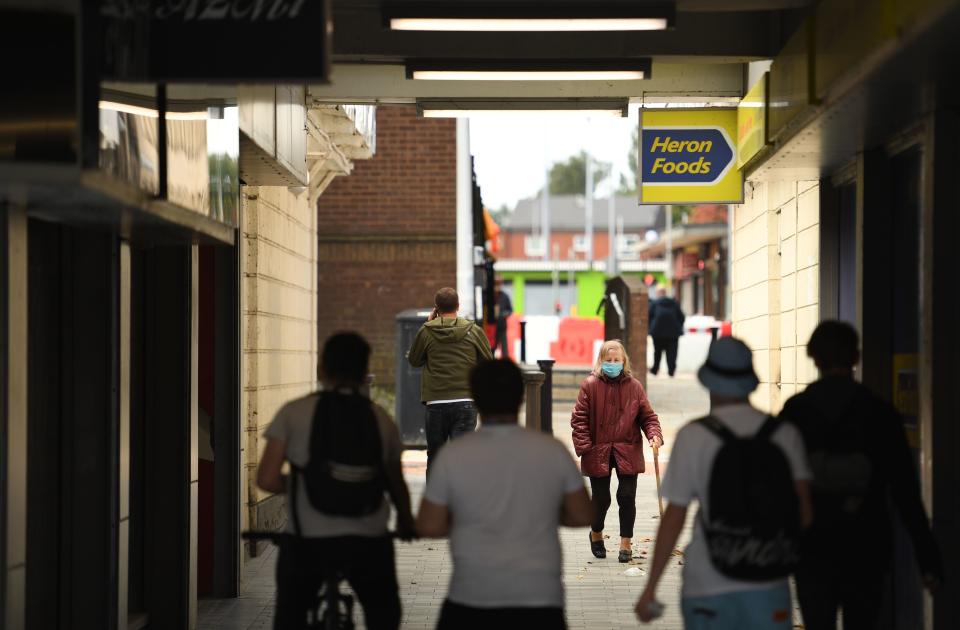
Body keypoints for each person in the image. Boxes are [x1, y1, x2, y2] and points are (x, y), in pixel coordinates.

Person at [635, 337, 813, 628]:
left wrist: (650, 587)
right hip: (768, 583)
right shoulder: (785, 434)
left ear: (708, 381)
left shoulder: (693, 437)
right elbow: (805, 513)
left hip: (707, 585)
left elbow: (673, 519)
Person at [778, 321, 942, 630]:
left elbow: (776, 483)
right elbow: (905, 491)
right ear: (856, 357)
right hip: (867, 545)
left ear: (814, 357)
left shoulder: (796, 411)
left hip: (812, 546)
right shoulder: (879, 412)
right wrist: (928, 561)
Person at [417, 359, 594, 629]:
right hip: (539, 598)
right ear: (521, 396)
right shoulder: (551, 450)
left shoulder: (453, 455)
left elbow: (429, 524)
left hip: (471, 596)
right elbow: (582, 514)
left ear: (475, 397)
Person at [257, 332, 416, 630]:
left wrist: (304, 485)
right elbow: (396, 483)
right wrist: (406, 522)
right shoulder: (381, 418)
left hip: (307, 542)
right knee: (384, 614)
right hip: (367, 540)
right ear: (363, 373)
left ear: (322, 369)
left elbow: (266, 479)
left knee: (289, 615)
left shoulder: (294, 412)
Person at [571, 339, 664, 563]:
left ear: (624, 361)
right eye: (608, 360)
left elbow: (648, 416)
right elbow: (579, 419)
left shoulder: (634, 387)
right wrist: (585, 447)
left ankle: (625, 542)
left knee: (627, 495)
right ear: (601, 361)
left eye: (616, 360)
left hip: (627, 447)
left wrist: (654, 435)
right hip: (598, 449)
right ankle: (596, 533)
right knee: (601, 499)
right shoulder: (590, 385)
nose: (612, 364)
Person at [408, 287, 493, 471]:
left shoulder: (426, 331)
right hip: (466, 401)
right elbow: (489, 363)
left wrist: (428, 324)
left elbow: (414, 360)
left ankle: (436, 498)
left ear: (436, 308)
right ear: (458, 306)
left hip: (435, 402)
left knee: (436, 457)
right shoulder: (473, 331)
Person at [648, 285, 685, 377]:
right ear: (665, 292)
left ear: (658, 293)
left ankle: (655, 370)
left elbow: (649, 317)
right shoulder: (674, 303)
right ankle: (671, 371)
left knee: (657, 352)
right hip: (673, 333)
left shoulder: (654, 304)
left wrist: (651, 328)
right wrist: (678, 327)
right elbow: (681, 317)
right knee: (672, 352)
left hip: (657, 332)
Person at [492, 277, 513, 358]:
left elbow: (510, 310)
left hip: (502, 326)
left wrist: (503, 314)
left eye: (499, 284)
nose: (498, 286)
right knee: (492, 347)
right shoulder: (489, 296)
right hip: (492, 327)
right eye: (496, 284)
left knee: (504, 348)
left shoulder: (505, 296)